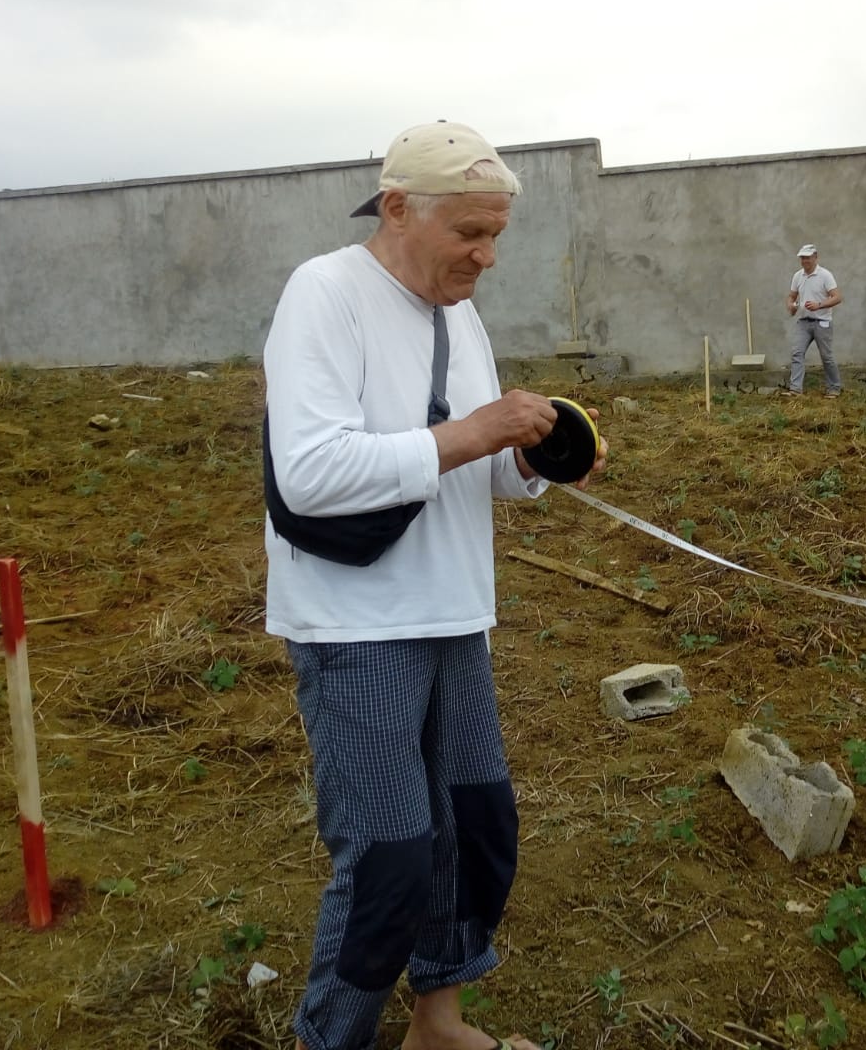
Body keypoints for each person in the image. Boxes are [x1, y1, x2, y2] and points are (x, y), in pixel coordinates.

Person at [262, 120, 606, 1050]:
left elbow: (477, 468)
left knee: (472, 830)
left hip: (454, 611)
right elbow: (310, 474)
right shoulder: (326, 293)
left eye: (497, 234)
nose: (487, 255)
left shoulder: (460, 316)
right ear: (398, 208)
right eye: (469, 233)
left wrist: (533, 460)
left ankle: (438, 1023)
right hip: (354, 624)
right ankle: (330, 1039)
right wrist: (479, 430)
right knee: (389, 861)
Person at [785, 243, 843, 397]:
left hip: (822, 322)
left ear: (815, 257)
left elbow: (837, 297)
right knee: (797, 353)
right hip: (803, 322)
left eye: (808, 258)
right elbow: (791, 296)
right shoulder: (798, 276)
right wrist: (791, 305)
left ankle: (834, 388)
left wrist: (819, 305)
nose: (805, 261)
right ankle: (795, 389)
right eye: (802, 258)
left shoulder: (825, 275)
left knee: (826, 356)